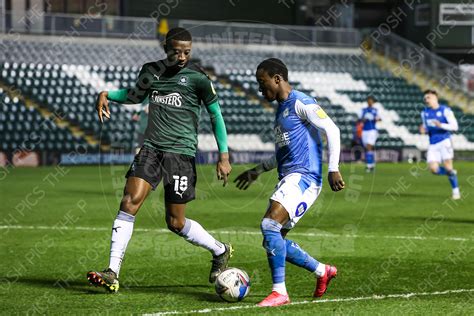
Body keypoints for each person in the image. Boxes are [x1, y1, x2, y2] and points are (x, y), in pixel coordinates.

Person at [87, 28, 233, 293]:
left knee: (175, 222)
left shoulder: (198, 78)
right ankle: (112, 272)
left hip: (181, 154)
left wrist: (223, 156)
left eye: (187, 52)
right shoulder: (150, 71)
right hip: (151, 149)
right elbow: (134, 96)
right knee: (129, 202)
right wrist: (107, 93)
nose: (181, 57)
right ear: (166, 48)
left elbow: (216, 116)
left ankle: (220, 250)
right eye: (176, 51)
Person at [234, 58, 345, 307]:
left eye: (262, 83)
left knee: (269, 224)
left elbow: (333, 130)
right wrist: (257, 170)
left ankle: (280, 292)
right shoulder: (281, 109)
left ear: (277, 78)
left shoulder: (301, 102)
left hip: (304, 178)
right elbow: (283, 153)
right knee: (274, 239)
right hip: (290, 177)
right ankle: (322, 271)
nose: (261, 90)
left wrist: (333, 169)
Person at [420, 89, 460, 200]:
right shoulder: (424, 113)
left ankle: (456, 191)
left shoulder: (445, 110)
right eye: (425, 98)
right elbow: (426, 127)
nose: (426, 100)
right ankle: (451, 173)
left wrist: (441, 125)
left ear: (435, 98)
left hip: (445, 141)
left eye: (429, 97)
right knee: (433, 169)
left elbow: (455, 126)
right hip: (433, 143)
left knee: (448, 166)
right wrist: (423, 130)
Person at [359, 96, 380, 172]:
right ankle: (371, 164)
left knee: (369, 146)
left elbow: (379, 118)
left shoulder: (375, 110)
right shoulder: (363, 110)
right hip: (365, 130)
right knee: (367, 148)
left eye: (371, 101)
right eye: (369, 101)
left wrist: (375, 118)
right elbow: (360, 120)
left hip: (372, 130)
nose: (370, 102)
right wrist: (365, 118)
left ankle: (368, 166)